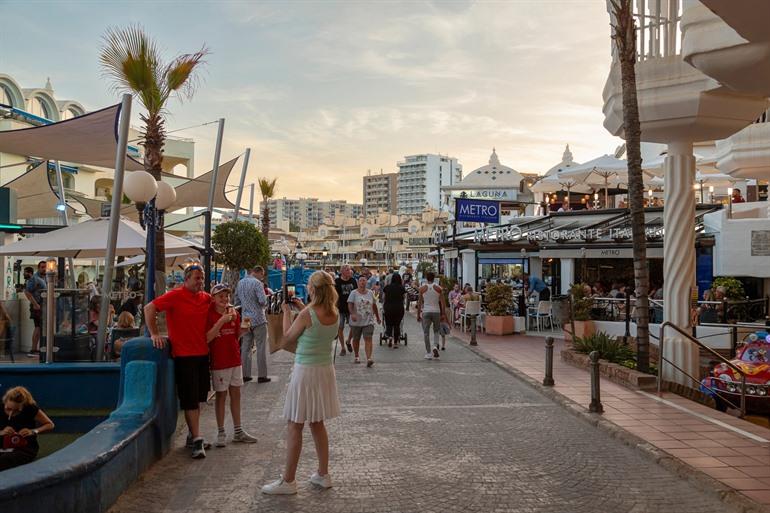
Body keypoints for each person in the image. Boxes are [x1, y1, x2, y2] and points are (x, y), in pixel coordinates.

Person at [262, 271, 340, 495]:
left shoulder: (307, 314)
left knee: (295, 424)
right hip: (324, 371)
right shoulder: (334, 312)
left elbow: (287, 336)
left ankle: (288, 481)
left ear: (313, 289)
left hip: (305, 371)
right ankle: (323, 474)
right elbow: (316, 328)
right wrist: (301, 308)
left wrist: (287, 312)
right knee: (317, 423)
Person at [144, 262, 212, 459]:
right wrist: (154, 333)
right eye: (197, 278)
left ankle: (192, 434)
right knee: (190, 399)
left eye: (202, 278)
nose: (200, 282)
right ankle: (197, 439)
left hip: (202, 353)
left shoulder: (205, 298)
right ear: (186, 279)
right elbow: (149, 308)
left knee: (200, 397)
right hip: (184, 355)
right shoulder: (175, 295)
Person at [206, 284, 258, 447]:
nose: (225, 299)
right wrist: (222, 321)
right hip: (220, 361)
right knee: (221, 395)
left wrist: (244, 329)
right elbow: (207, 338)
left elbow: (236, 336)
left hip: (234, 359)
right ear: (213, 298)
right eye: (221, 296)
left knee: (236, 394)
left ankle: (238, 430)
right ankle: (221, 431)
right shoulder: (209, 314)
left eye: (227, 296)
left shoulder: (234, 313)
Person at [0, 386, 54, 471]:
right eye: (8, 409)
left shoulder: (30, 408)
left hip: (24, 447)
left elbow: (50, 424)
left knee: (5, 459)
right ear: (5, 401)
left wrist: (33, 431)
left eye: (16, 410)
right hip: (2, 444)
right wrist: (1, 432)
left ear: (23, 406)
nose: (11, 413)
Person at [234, 266, 270, 383]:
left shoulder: (240, 283)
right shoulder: (257, 283)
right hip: (258, 319)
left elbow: (237, 301)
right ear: (258, 272)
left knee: (245, 347)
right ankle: (262, 375)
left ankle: (245, 374)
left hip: (246, 319)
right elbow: (262, 301)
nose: (262, 277)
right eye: (262, 275)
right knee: (261, 347)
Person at [348, 276, 381, 367]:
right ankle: (356, 356)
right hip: (356, 321)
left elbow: (374, 305)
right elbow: (350, 304)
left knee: (368, 338)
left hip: (368, 321)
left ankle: (369, 358)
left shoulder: (370, 293)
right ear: (358, 283)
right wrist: (352, 314)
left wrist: (378, 317)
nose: (362, 282)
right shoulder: (353, 293)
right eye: (361, 281)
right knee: (356, 339)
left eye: (364, 280)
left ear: (366, 282)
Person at [417, 271, 447, 360]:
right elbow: (443, 303)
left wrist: (418, 314)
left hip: (426, 311)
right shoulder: (439, 288)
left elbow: (419, 303)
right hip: (436, 311)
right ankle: (435, 346)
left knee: (426, 333)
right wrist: (443, 314)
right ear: (434, 278)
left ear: (426, 278)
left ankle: (428, 353)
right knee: (436, 331)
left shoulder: (422, 289)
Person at [23, 263, 46, 358]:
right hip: (38, 306)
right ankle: (33, 350)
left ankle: (36, 349)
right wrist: (36, 304)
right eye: (42, 267)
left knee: (39, 328)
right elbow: (27, 292)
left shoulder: (43, 278)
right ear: (38, 268)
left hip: (42, 306)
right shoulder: (34, 278)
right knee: (38, 327)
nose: (44, 269)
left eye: (45, 267)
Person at [335, 265, 356, 356]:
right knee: (340, 327)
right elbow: (335, 296)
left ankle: (348, 341)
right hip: (341, 308)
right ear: (342, 271)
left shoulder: (353, 280)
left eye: (350, 270)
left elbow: (356, 292)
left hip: (351, 308)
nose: (349, 271)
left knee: (354, 327)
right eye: (347, 270)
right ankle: (343, 347)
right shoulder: (337, 282)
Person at [382, 273, 406, 348]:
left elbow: (384, 297)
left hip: (388, 308)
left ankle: (390, 337)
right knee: (397, 324)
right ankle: (395, 342)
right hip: (399, 308)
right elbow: (404, 298)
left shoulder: (387, 287)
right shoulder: (401, 288)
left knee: (389, 323)